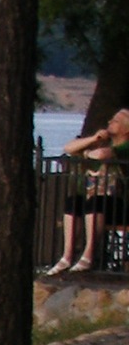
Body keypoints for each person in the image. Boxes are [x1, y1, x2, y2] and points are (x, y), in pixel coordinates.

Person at [55, 109, 128, 272]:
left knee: (96, 202)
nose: (110, 122)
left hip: (121, 204)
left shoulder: (125, 146)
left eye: (115, 121)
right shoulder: (102, 142)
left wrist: (86, 153)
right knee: (74, 202)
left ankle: (89, 255)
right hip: (98, 200)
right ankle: (67, 256)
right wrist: (94, 138)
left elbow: (102, 154)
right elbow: (69, 148)